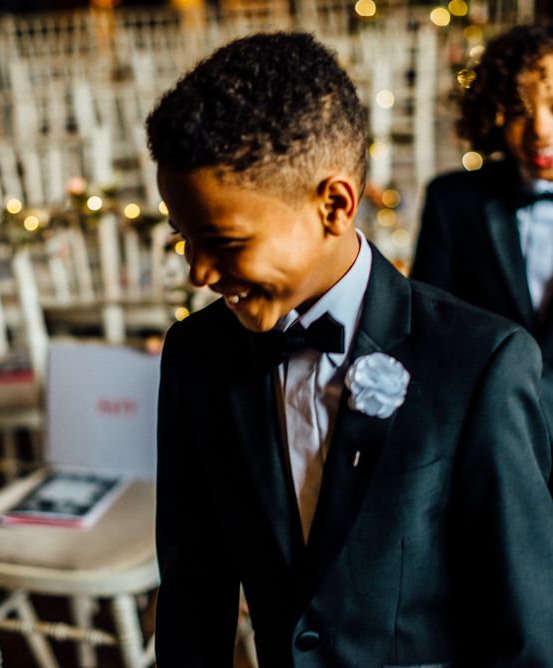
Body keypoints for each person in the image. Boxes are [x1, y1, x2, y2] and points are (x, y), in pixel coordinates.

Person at [146, 31, 553, 667]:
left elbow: (528, 637)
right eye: (184, 238)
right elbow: (194, 587)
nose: (199, 272)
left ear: (334, 204)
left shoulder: (483, 365)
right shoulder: (197, 356)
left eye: (223, 241)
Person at [412, 24, 553, 426]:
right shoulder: (452, 201)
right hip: (487, 436)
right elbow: (430, 330)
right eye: (517, 111)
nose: (540, 130)